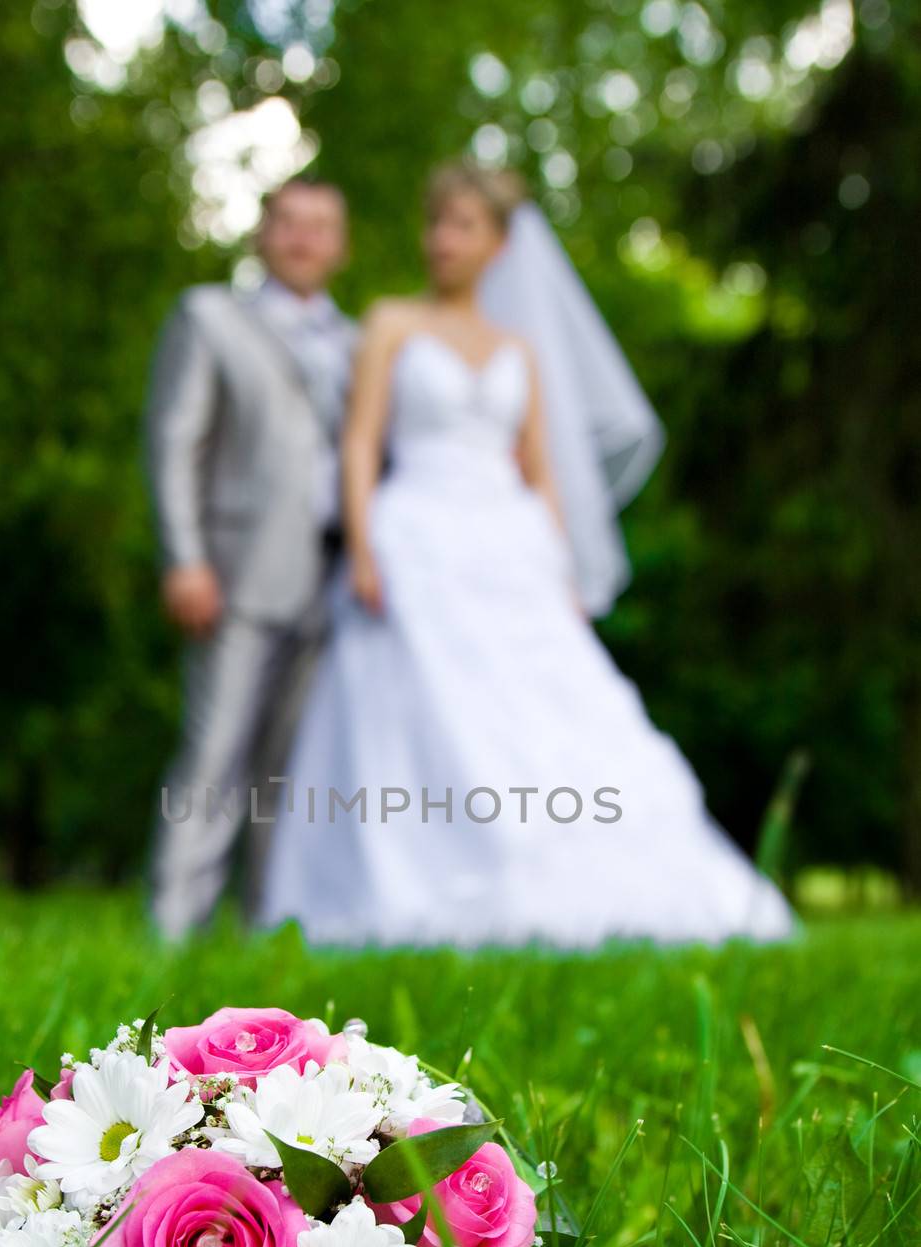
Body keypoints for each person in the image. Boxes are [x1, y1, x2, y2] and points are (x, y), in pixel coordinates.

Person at [257, 163, 795, 948]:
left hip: (510, 549)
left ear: (500, 245)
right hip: (415, 540)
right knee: (421, 720)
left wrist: (561, 566)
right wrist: (366, 547)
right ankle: (411, 882)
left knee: (551, 720)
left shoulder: (520, 348)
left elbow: (539, 468)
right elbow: (362, 440)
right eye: (436, 222)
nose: (442, 239)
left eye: (463, 225)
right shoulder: (391, 323)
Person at [147, 177, 356, 940]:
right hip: (234, 574)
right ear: (263, 235)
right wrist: (184, 557)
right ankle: (173, 930)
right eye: (289, 223)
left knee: (289, 770)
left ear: (341, 246)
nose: (303, 239)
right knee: (213, 755)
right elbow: (174, 441)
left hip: (331, 584)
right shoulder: (210, 317)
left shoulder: (359, 342)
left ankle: (263, 924)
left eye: (320, 225)